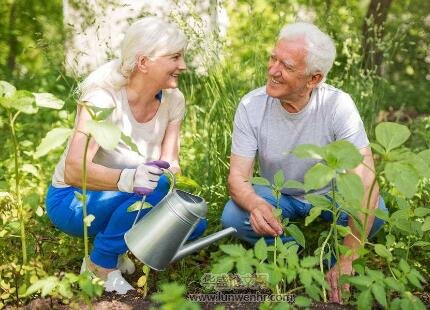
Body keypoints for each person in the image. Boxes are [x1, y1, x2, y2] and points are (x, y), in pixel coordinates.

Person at [221, 22, 387, 303]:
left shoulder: (338, 106)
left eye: (285, 65)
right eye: (273, 58)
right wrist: (256, 205)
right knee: (234, 216)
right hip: (280, 195)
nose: (273, 70)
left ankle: (334, 265)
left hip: (330, 197)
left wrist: (349, 256)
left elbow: (366, 180)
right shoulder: (251, 106)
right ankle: (294, 259)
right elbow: (238, 178)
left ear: (313, 79)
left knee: (376, 211)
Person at [45, 17, 207, 294]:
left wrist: (170, 185)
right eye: (175, 57)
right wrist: (131, 178)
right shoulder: (103, 98)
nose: (183, 66)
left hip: (127, 194)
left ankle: (117, 247)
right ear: (144, 62)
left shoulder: (173, 100)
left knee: (193, 223)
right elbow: (74, 170)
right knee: (156, 190)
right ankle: (100, 265)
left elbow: (172, 163)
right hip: (73, 200)